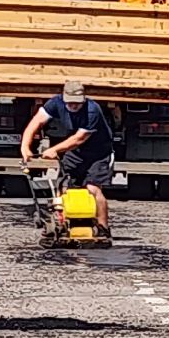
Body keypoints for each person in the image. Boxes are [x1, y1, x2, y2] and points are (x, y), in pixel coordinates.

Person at [19, 80, 117, 234]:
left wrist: (54, 150)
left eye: (76, 103)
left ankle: (103, 227)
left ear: (83, 99)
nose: (73, 106)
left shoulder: (92, 110)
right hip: (75, 152)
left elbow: (79, 138)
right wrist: (25, 147)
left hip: (99, 153)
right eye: (69, 102)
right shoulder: (54, 103)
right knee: (64, 185)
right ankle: (63, 221)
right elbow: (36, 122)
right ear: (64, 98)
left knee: (92, 188)